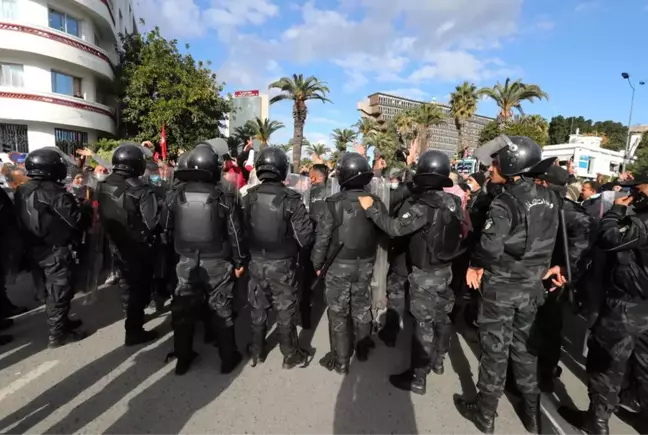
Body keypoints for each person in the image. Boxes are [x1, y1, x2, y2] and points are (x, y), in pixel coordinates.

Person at [457, 135, 559, 434]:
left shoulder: (506, 201)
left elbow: (489, 246)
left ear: (511, 165)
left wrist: (475, 265)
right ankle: (532, 415)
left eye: (496, 163)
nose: (490, 168)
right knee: (526, 349)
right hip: (533, 287)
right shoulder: (551, 197)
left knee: (495, 351)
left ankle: (485, 414)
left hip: (503, 287)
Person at [358, 150, 464, 393]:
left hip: (425, 272)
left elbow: (394, 228)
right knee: (441, 317)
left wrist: (371, 209)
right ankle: (438, 361)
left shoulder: (422, 206)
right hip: (444, 269)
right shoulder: (453, 201)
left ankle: (418, 377)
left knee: (423, 325)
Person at [562, 174, 648, 434]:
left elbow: (609, 238)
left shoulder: (642, 223)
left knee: (606, 365)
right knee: (645, 365)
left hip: (626, 306)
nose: (635, 192)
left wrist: (616, 211)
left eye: (640, 188)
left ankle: (597, 422)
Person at [162, 144, 247, 375]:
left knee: (183, 311)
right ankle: (228, 357)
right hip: (217, 262)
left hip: (186, 260)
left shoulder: (174, 195)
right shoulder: (223, 197)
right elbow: (235, 233)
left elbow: (166, 229)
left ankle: (183, 358)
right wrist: (240, 262)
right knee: (221, 308)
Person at [311, 152, 385, 374]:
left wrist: (317, 263)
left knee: (338, 312)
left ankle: (342, 360)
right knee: (362, 307)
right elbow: (382, 233)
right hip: (365, 264)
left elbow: (322, 239)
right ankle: (362, 351)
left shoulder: (332, 203)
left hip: (338, 266)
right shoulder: (375, 202)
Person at [242, 147, 313, 369]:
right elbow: (305, 237)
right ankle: (290, 354)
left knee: (258, 306)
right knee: (285, 308)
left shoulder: (248, 197)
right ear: (283, 169)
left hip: (256, 261)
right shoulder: (292, 199)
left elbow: (240, 229)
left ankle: (256, 350)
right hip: (282, 263)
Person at [14, 147, 88, 347]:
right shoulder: (54, 193)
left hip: (33, 248)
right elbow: (75, 221)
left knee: (48, 290)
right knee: (59, 290)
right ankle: (58, 335)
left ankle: (62, 322)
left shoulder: (23, 189)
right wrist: (83, 208)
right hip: (54, 249)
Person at [533, 165, 594, 393]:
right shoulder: (550, 208)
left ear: (545, 184)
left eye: (538, 182)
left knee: (547, 326)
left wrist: (566, 271)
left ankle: (545, 372)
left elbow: (583, 241)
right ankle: (544, 370)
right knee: (546, 327)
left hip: (551, 279)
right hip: (544, 274)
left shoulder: (568, 213)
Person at [97, 144, 159, 346]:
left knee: (126, 281)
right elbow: (152, 222)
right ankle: (134, 329)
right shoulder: (140, 190)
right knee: (138, 287)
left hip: (116, 243)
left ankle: (130, 313)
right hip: (137, 246)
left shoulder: (103, 184)